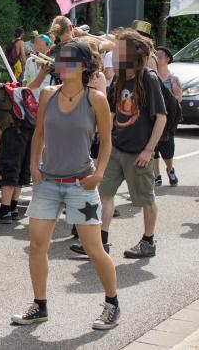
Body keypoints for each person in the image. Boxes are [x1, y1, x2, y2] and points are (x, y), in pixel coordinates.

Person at [12, 40, 119, 329]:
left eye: (69, 60)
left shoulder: (96, 99)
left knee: (94, 250)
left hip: (80, 185)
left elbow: (107, 142)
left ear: (84, 66)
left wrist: (99, 174)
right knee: (36, 245)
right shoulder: (48, 93)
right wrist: (34, 165)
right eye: (60, 59)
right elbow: (39, 134)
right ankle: (40, 304)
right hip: (48, 182)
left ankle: (112, 303)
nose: (61, 64)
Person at [73, 29, 166, 258]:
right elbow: (112, 114)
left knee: (145, 199)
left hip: (139, 152)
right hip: (117, 148)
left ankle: (148, 242)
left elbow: (161, 118)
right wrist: (104, 139)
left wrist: (148, 150)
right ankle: (100, 242)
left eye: (119, 50)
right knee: (104, 194)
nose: (114, 54)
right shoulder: (120, 78)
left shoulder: (148, 78)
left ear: (133, 53)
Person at [153, 46, 181, 187]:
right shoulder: (151, 76)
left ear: (168, 59)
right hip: (152, 117)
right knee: (152, 147)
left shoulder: (172, 78)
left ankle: (170, 169)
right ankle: (156, 175)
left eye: (160, 56)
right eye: (155, 56)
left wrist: (169, 98)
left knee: (167, 148)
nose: (157, 58)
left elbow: (178, 98)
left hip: (166, 119)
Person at [23, 34, 53, 101]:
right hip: (31, 100)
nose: (37, 48)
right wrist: (23, 94)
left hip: (47, 101)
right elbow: (25, 79)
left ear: (48, 47)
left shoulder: (51, 64)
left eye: (40, 47)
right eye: (35, 45)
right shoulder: (29, 61)